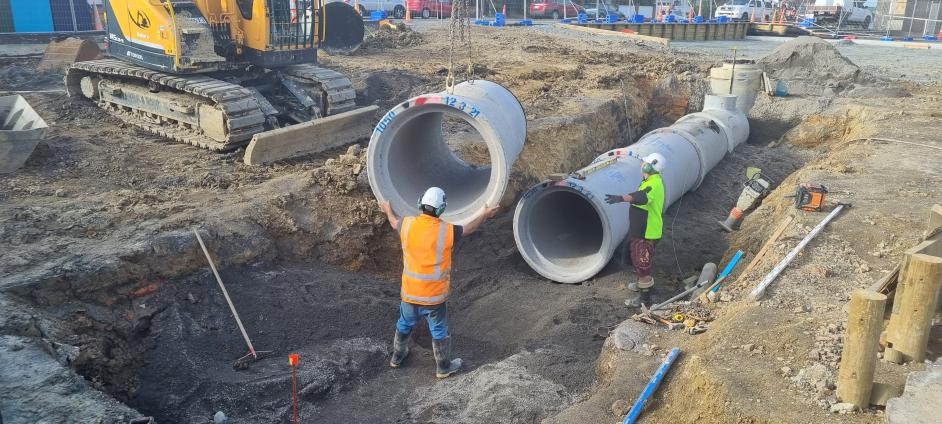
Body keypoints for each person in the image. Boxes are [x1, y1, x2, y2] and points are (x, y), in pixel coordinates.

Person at [378, 187, 498, 378]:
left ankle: (397, 357)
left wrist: (387, 209)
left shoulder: (407, 225)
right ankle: (443, 367)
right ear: (442, 209)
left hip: (410, 292)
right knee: (439, 329)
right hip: (434, 296)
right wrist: (484, 214)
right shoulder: (447, 230)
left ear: (420, 204)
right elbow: (469, 228)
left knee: (404, 324)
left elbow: (393, 223)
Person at [605, 153, 666, 308]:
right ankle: (642, 283)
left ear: (649, 166)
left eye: (644, 163)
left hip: (647, 233)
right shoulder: (649, 180)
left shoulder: (654, 184)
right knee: (638, 261)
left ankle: (644, 300)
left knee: (642, 265)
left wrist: (621, 198)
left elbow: (642, 197)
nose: (641, 165)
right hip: (641, 230)